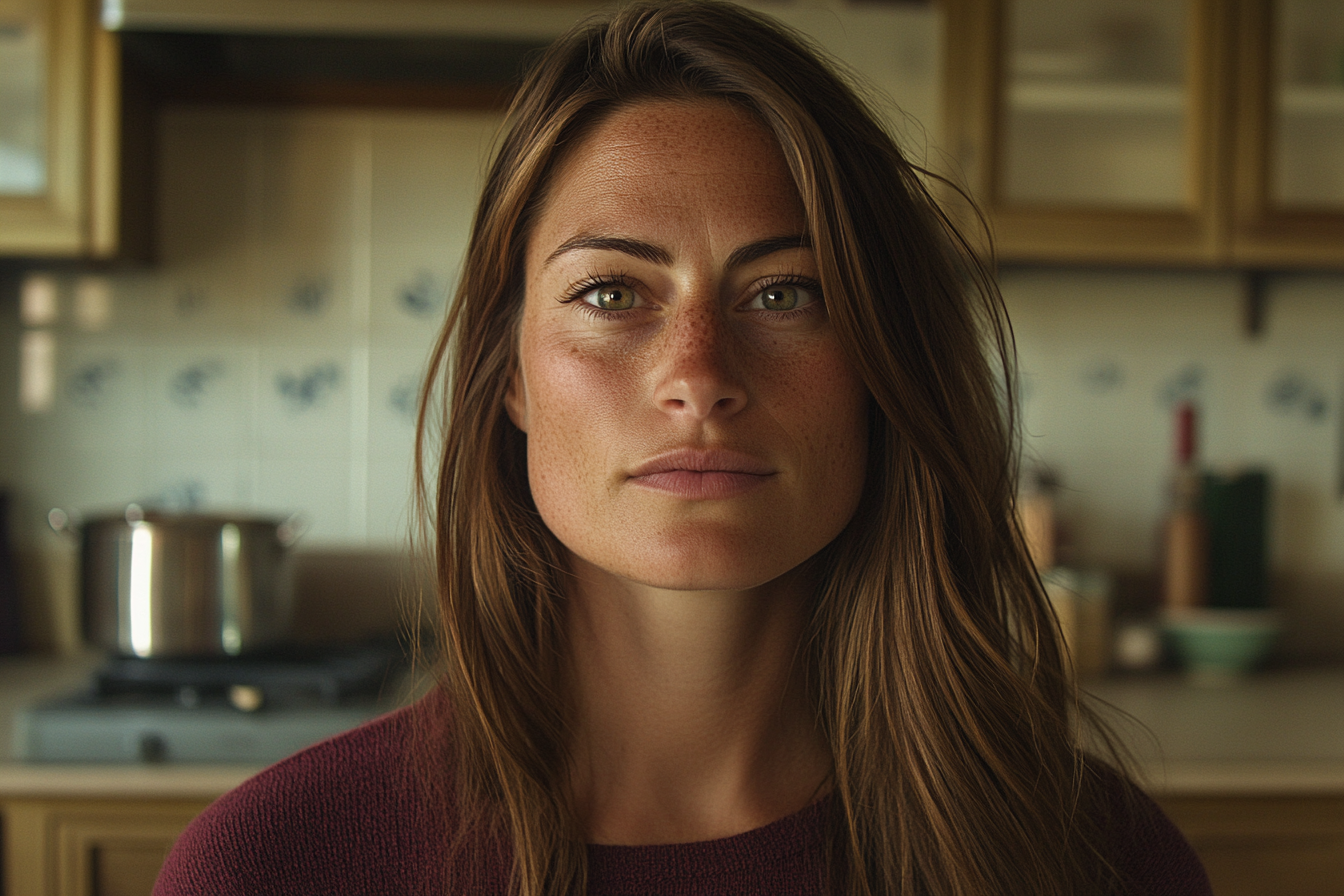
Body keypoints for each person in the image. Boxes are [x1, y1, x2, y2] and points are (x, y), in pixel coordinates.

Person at [155, 2, 1213, 894]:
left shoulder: (1096, 856)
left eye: (786, 293)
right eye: (611, 292)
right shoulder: (268, 866)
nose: (699, 371)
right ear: (509, 372)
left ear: (886, 366)